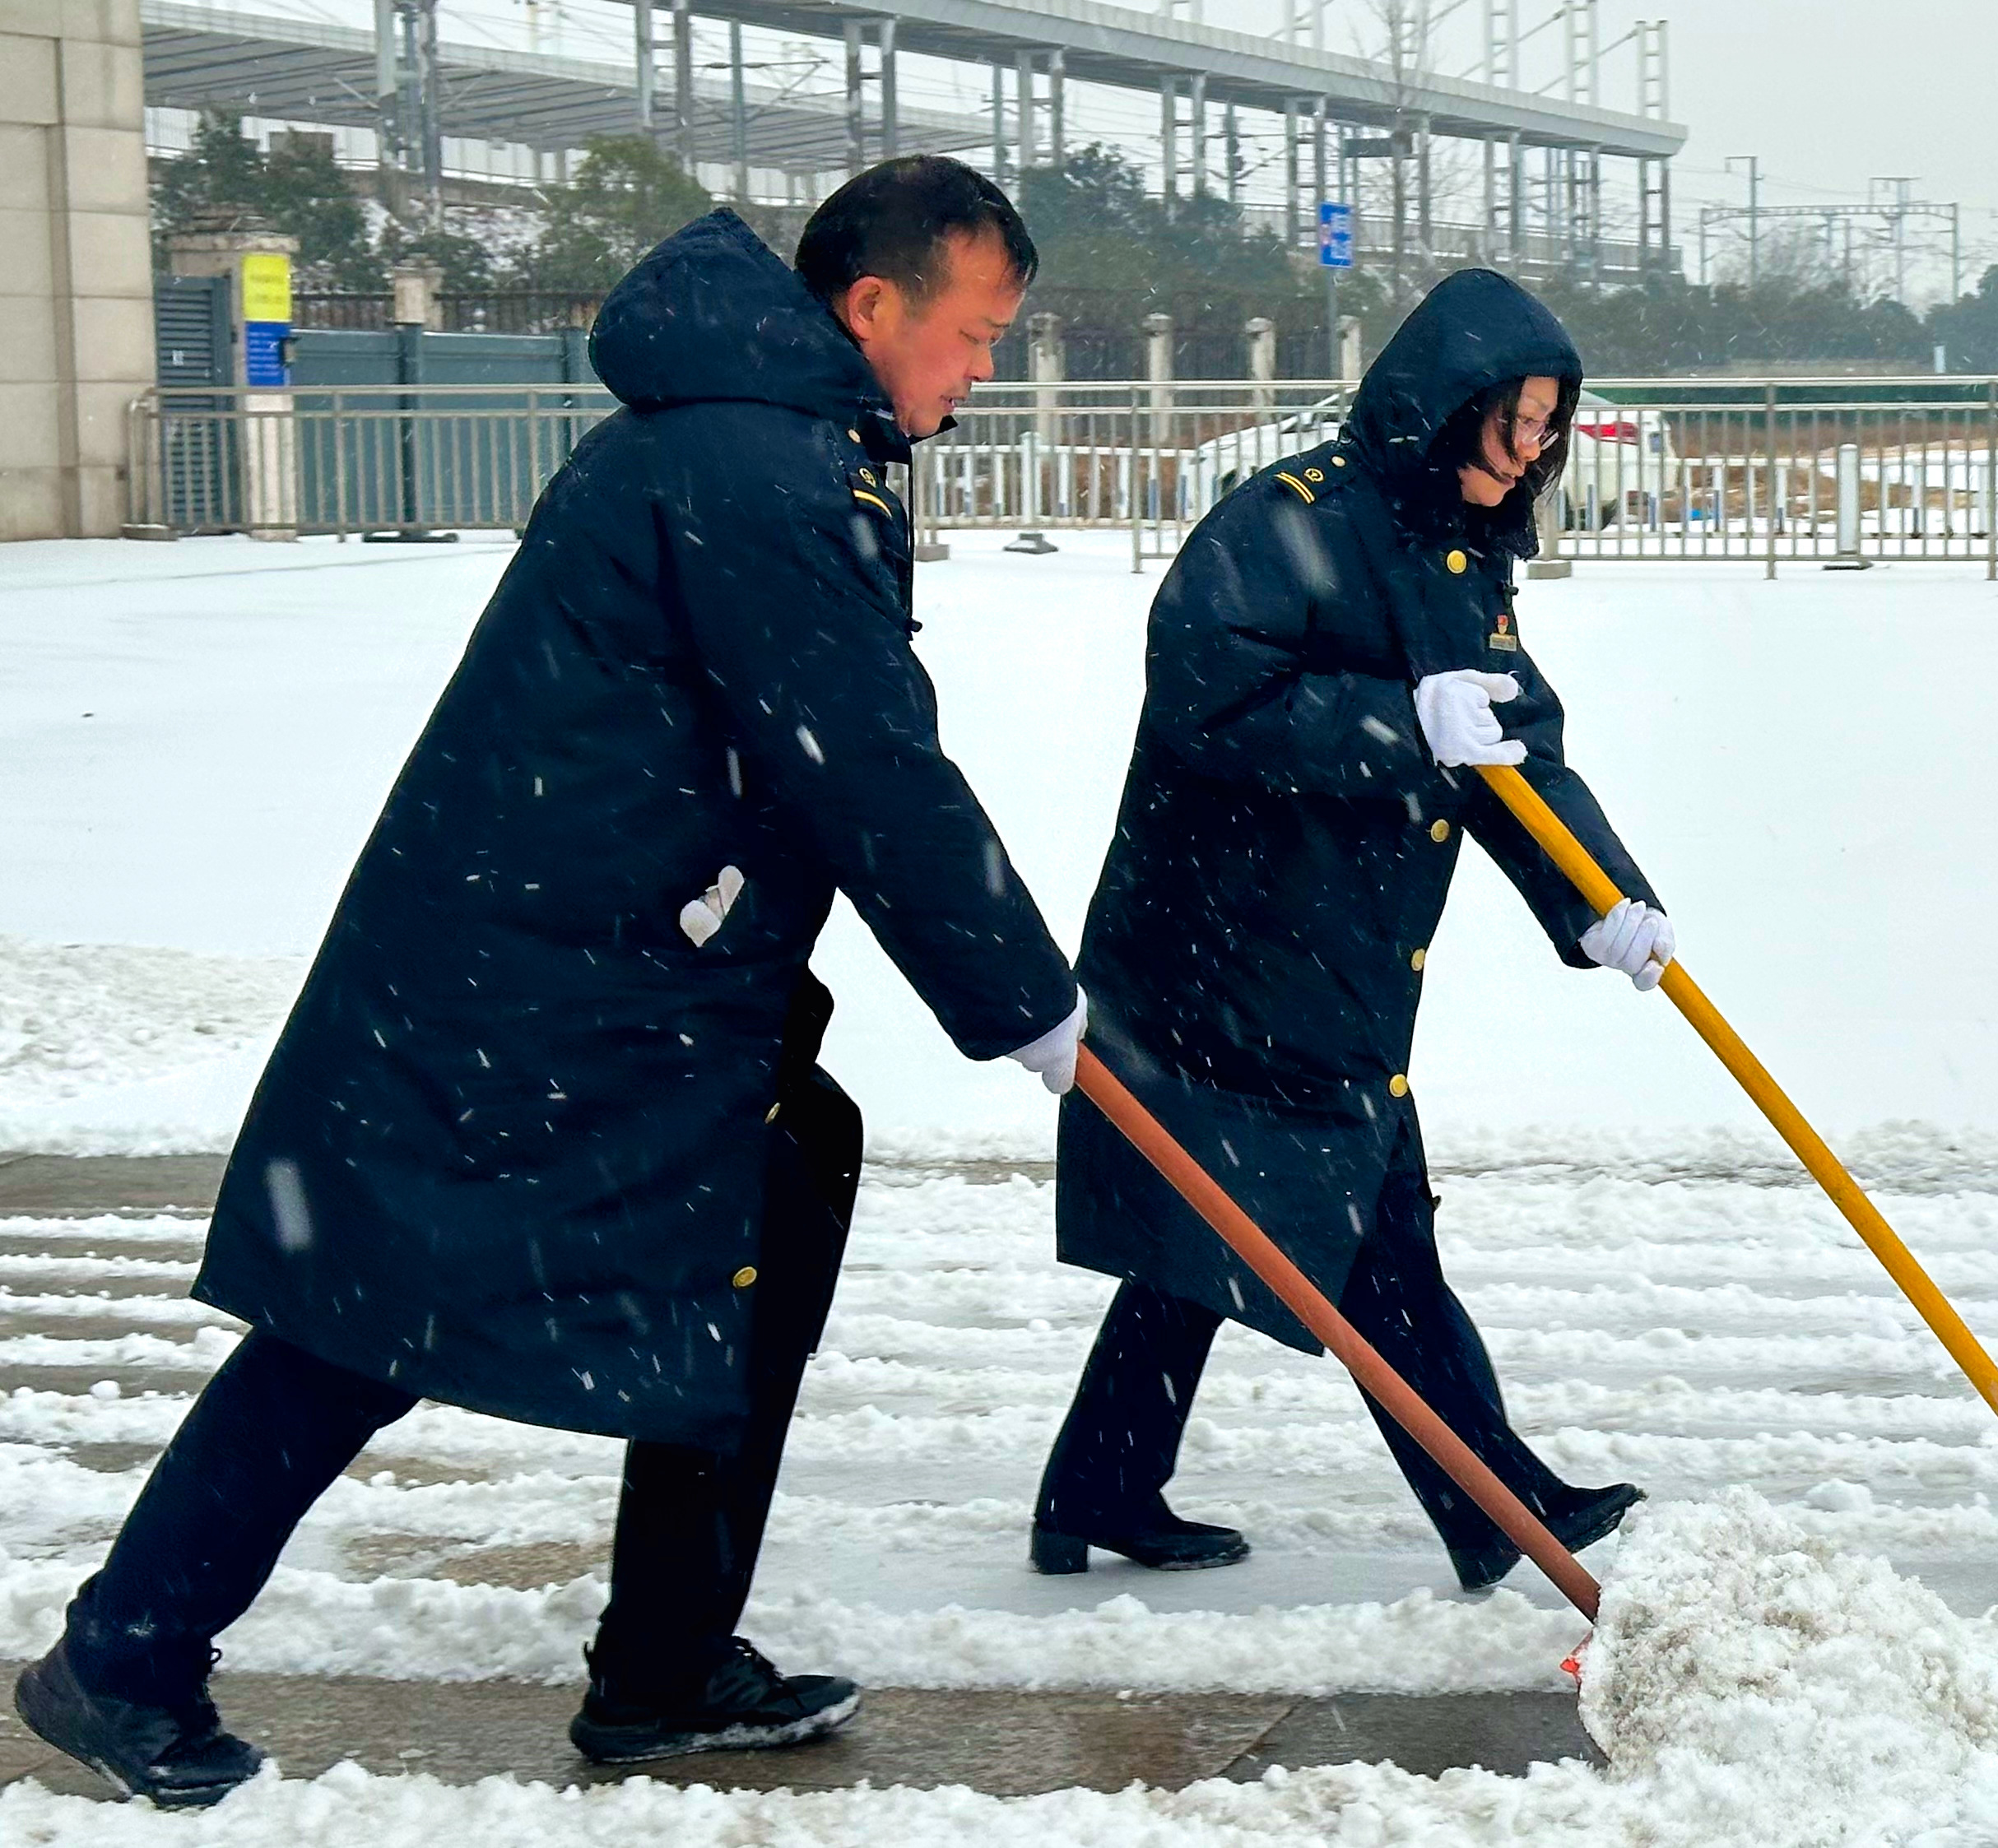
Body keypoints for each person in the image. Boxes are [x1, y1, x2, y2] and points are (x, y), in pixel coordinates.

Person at [12, 157, 1088, 1808]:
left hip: (617, 956)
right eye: (977, 330)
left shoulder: (768, 441)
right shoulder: (760, 464)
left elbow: (812, 752)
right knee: (370, 1312)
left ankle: (664, 1663)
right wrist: (1027, 1003)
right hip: (533, 979)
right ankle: (124, 1656)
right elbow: (864, 764)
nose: (985, 366)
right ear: (874, 307)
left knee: (766, 1204)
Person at [1032, 269, 1665, 1592]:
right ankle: (1495, 1500)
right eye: (1513, 421)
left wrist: (1600, 896)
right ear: (1445, 406)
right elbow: (1207, 698)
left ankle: (1101, 1479)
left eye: (1547, 426)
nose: (1531, 450)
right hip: (1227, 939)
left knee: (1222, 1208)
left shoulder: (1455, 552)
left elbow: (1508, 750)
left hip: (1324, 947)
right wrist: (1395, 725)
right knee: (1369, 1227)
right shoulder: (1288, 520)